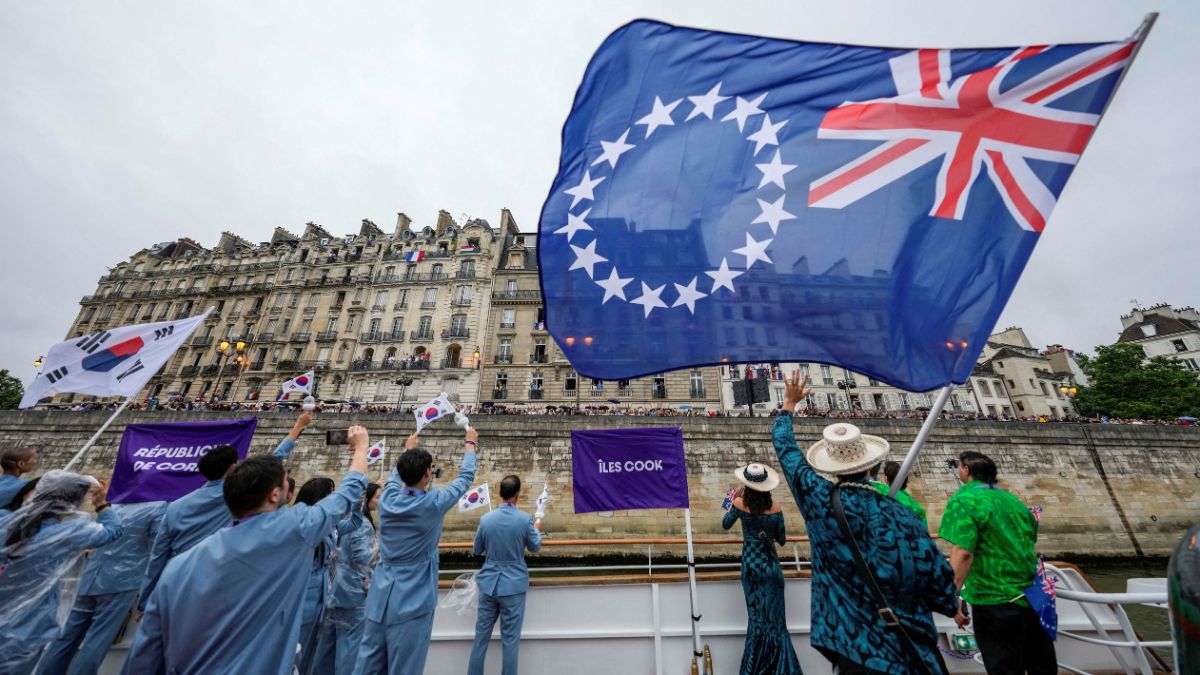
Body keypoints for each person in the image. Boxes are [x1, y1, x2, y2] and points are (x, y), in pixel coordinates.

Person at [123, 425, 370, 675]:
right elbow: (346, 495)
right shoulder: (293, 530)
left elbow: (144, 657)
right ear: (274, 495)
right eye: (286, 483)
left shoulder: (179, 567)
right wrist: (361, 448)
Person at [774, 370, 956, 674]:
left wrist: (788, 405)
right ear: (873, 465)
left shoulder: (819, 501)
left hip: (854, 648)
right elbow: (942, 588)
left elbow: (786, 450)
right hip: (909, 651)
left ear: (831, 468)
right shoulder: (904, 514)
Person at [135, 410, 314, 616]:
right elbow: (273, 460)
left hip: (176, 582)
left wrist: (145, 599)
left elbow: (158, 556)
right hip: (216, 580)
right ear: (232, 468)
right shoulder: (234, 491)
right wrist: (298, 427)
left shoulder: (176, 506)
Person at [353, 425, 478, 675]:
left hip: (380, 596)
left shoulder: (387, 499)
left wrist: (407, 451)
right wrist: (470, 443)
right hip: (412, 600)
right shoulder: (432, 503)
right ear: (427, 474)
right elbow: (465, 478)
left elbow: (393, 478)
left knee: (366, 665)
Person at [939, 451, 1054, 674]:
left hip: (994, 600)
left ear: (966, 470)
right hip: (1033, 596)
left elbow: (963, 553)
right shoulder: (1013, 501)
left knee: (1004, 668)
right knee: (1041, 666)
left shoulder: (964, 500)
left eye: (959, 466)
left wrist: (951, 595)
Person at [0, 471, 123, 673]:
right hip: (30, 621)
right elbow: (113, 531)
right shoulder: (69, 532)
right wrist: (101, 504)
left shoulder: (6, 520)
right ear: (74, 501)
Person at [36, 499, 167, 675]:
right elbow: (156, 551)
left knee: (64, 638)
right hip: (122, 582)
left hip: (90, 576)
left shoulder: (116, 503)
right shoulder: (159, 507)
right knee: (97, 641)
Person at [722, 464, 801, 675]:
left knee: (756, 621)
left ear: (747, 484)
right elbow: (782, 540)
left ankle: (754, 669)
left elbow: (725, 524)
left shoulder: (739, 503)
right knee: (777, 622)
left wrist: (730, 499)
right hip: (771, 566)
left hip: (751, 566)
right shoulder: (776, 507)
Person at [467, 475, 543, 675]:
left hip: (489, 583)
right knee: (510, 641)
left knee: (480, 638)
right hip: (513, 585)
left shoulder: (486, 519)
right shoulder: (525, 519)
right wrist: (537, 527)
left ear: (500, 493)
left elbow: (476, 550)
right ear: (517, 495)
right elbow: (535, 547)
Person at [314, 482, 381, 675]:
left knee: (329, 643)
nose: (380, 500)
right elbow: (363, 557)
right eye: (377, 496)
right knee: (350, 646)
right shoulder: (363, 525)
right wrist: (381, 547)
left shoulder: (350, 519)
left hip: (339, 587)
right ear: (367, 499)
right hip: (354, 590)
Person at [293, 476, 337, 674]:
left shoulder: (327, 525)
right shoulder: (302, 527)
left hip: (321, 598)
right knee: (297, 653)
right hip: (303, 599)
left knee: (311, 652)